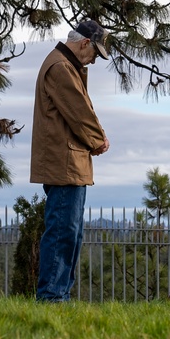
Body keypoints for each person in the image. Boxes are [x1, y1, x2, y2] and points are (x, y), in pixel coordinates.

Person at [30, 19, 110, 301]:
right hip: (64, 163)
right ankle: (52, 297)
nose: (95, 61)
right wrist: (97, 139)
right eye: (95, 53)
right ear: (85, 43)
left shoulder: (65, 65)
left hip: (70, 162)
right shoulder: (61, 67)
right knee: (63, 232)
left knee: (70, 233)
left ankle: (59, 294)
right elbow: (79, 111)